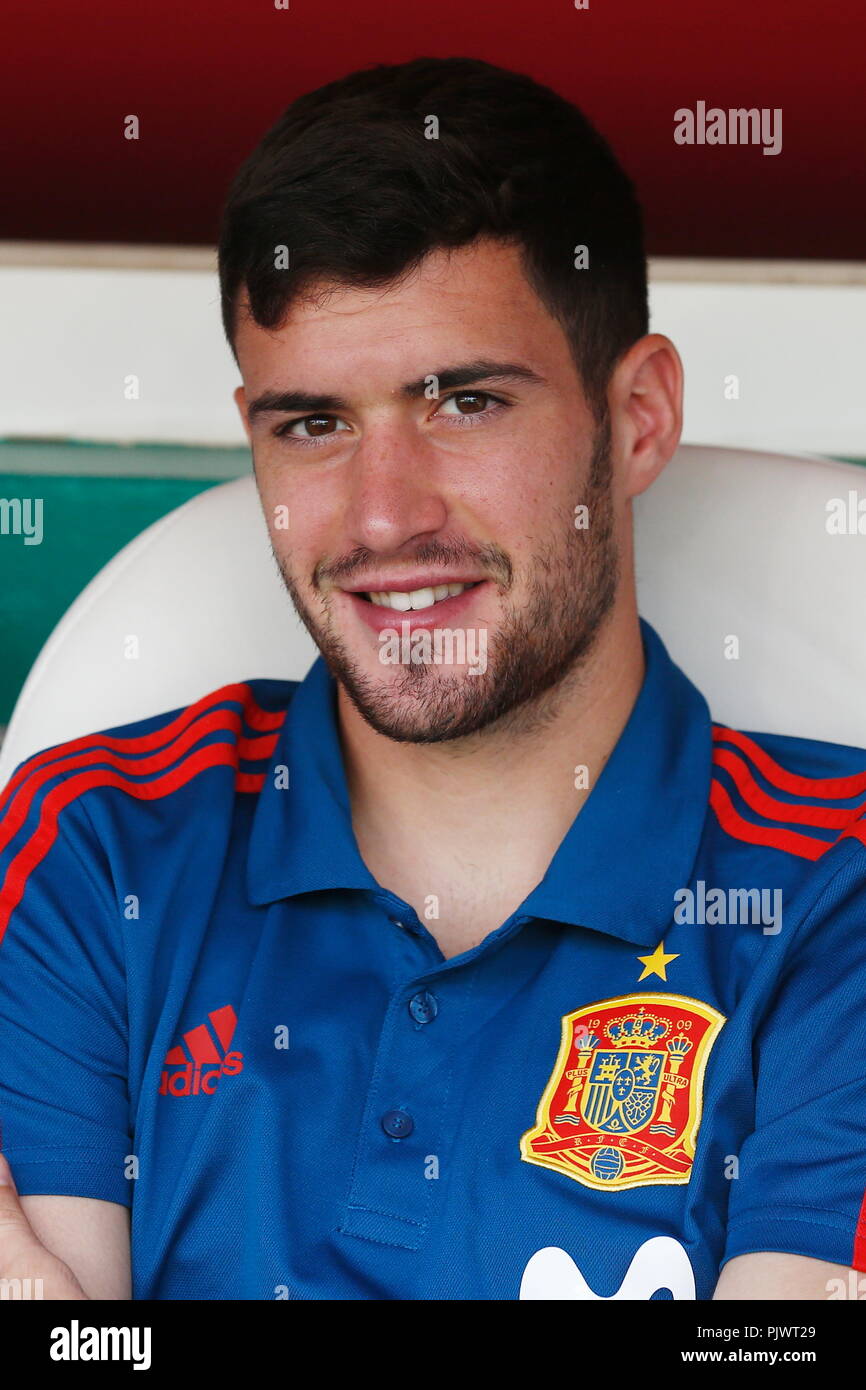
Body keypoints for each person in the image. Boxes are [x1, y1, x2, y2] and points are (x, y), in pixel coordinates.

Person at [1, 56, 865, 1302]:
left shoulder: (833, 895)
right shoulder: (97, 843)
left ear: (635, 421)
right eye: (313, 424)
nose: (383, 518)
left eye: (462, 402)